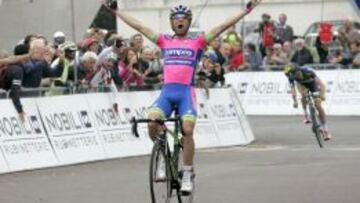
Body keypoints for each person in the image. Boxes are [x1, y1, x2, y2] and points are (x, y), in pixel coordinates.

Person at [104, 0, 261, 193]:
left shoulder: (198, 42)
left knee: (187, 130)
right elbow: (139, 26)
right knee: (152, 124)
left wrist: (247, 10)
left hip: (186, 93)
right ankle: (161, 154)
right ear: (171, 22)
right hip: (167, 94)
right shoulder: (163, 40)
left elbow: (222, 26)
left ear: (189, 22)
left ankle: (187, 172)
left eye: (183, 19)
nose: (180, 22)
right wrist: (116, 11)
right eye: (176, 19)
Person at [284, 64, 332, 140]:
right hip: (302, 85)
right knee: (303, 94)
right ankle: (305, 113)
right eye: (291, 75)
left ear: (298, 70)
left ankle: (325, 129)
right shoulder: (291, 77)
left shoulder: (308, 72)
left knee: (318, 105)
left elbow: (321, 85)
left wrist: (321, 95)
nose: (294, 76)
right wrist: (295, 101)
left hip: (313, 84)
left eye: (294, 74)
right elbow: (293, 91)